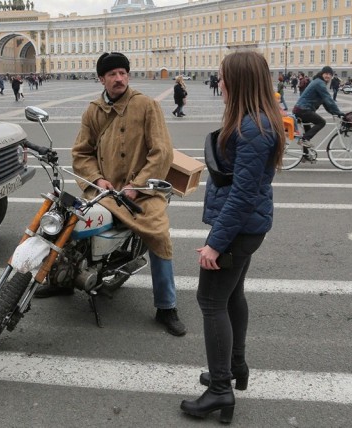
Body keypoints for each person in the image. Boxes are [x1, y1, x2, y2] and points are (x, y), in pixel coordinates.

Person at [34, 52, 187, 337]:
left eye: (123, 73)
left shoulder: (146, 105)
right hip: (104, 189)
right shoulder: (93, 110)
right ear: (101, 79)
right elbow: (81, 153)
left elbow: (161, 152)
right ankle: (62, 280)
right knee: (70, 218)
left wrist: (137, 185)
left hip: (143, 191)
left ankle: (167, 306)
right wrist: (97, 179)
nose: (119, 78)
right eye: (112, 74)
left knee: (159, 235)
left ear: (128, 75)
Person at [180, 51, 284, 423]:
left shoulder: (252, 128)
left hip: (239, 228)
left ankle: (220, 389)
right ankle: (234, 367)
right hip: (246, 225)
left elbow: (243, 195)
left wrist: (215, 243)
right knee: (231, 295)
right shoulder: (253, 121)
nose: (218, 82)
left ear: (238, 81)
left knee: (209, 301)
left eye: (221, 77)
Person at [292, 66, 344, 148]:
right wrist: (338, 112)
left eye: (330, 74)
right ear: (322, 74)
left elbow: (326, 103)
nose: (328, 76)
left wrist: (335, 113)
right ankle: (304, 140)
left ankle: (306, 155)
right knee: (321, 122)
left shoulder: (318, 82)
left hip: (300, 109)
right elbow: (328, 99)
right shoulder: (320, 83)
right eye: (326, 73)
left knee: (308, 134)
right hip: (303, 110)